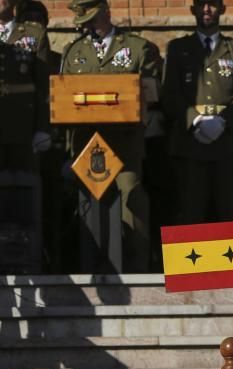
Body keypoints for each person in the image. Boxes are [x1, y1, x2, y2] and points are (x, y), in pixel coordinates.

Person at [62, 0, 162, 273]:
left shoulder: (137, 47)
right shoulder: (73, 51)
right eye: (84, 23)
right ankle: (92, 268)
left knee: (132, 200)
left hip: (125, 142)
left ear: (106, 12)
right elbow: (64, 94)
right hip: (88, 144)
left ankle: (137, 270)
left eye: (92, 20)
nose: (88, 27)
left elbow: (152, 91)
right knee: (90, 204)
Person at [162, 0, 233, 227]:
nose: (207, 10)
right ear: (192, 9)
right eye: (201, 4)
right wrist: (195, 120)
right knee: (190, 213)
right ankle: (190, 264)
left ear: (222, 9)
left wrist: (222, 121)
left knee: (231, 212)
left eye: (212, 4)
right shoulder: (177, 48)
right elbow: (170, 95)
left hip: (228, 146)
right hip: (189, 145)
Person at [0, 0, 50, 273]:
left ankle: (27, 258)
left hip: (23, 128)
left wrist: (43, 127)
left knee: (25, 196)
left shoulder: (33, 34)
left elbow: (44, 87)